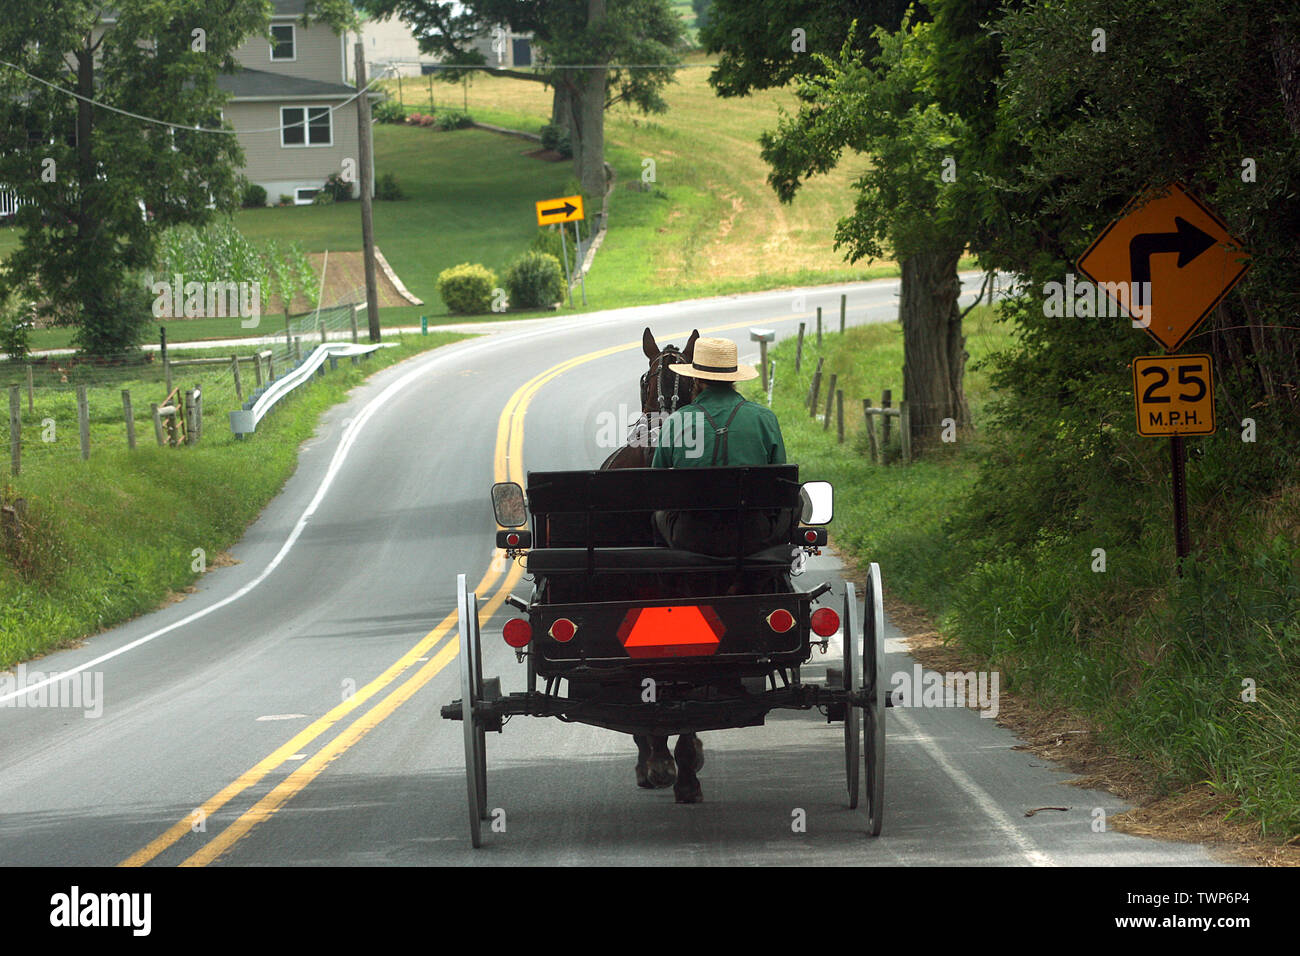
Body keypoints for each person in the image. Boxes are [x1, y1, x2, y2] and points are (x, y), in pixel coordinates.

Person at [651, 337, 793, 555]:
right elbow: (780, 482)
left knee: (658, 512)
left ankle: (666, 572)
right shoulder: (765, 418)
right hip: (753, 534)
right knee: (796, 501)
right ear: (733, 379)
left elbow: (657, 482)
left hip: (690, 536)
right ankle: (780, 568)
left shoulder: (677, 421)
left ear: (696, 379)